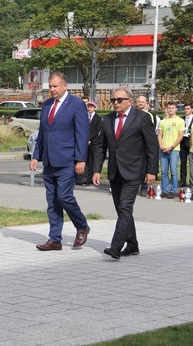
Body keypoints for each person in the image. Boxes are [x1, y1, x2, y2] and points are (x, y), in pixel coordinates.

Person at [92, 87, 159, 259]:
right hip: (115, 172)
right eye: (113, 100)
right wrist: (97, 170)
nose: (116, 103)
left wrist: (152, 171)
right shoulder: (107, 120)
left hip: (134, 171)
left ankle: (116, 246)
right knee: (122, 210)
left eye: (119, 100)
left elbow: (152, 147)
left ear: (130, 100)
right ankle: (133, 244)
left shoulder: (142, 118)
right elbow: (100, 147)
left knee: (125, 208)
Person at [30, 71, 91, 251]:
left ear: (65, 85)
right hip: (49, 161)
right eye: (50, 86)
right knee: (52, 202)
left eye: (55, 86)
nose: (52, 90)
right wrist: (36, 155)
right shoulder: (47, 104)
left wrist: (81, 159)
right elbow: (43, 132)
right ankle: (55, 239)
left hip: (67, 160)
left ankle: (82, 226)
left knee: (64, 196)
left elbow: (82, 133)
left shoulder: (77, 105)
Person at [158, 101, 184, 199]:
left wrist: (172, 147)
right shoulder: (163, 121)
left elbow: (180, 136)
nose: (171, 110)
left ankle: (173, 190)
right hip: (163, 149)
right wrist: (161, 145)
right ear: (167, 109)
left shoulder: (180, 121)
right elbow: (160, 135)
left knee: (173, 171)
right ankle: (164, 190)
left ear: (176, 109)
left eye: (172, 108)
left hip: (174, 149)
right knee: (164, 171)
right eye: (169, 108)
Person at [136, 95, 160, 196]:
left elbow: (156, 130)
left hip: (147, 144)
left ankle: (144, 187)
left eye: (142, 102)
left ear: (147, 104)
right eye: (139, 101)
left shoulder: (152, 116)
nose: (140, 103)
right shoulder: (133, 114)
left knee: (145, 165)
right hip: (136, 145)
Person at [81, 101, 103, 185]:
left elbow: (97, 130)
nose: (89, 108)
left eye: (91, 107)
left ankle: (90, 178)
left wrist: (89, 138)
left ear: (94, 108)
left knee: (91, 161)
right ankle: (83, 177)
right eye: (88, 107)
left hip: (93, 142)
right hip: (84, 141)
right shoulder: (84, 117)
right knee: (84, 160)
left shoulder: (98, 118)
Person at [180, 102, 193, 187]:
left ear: (192, 109)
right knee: (183, 162)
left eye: (188, 109)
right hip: (183, 141)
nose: (186, 110)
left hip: (191, 140)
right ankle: (183, 180)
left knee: (191, 163)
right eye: (185, 109)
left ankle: (191, 181)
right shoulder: (182, 119)